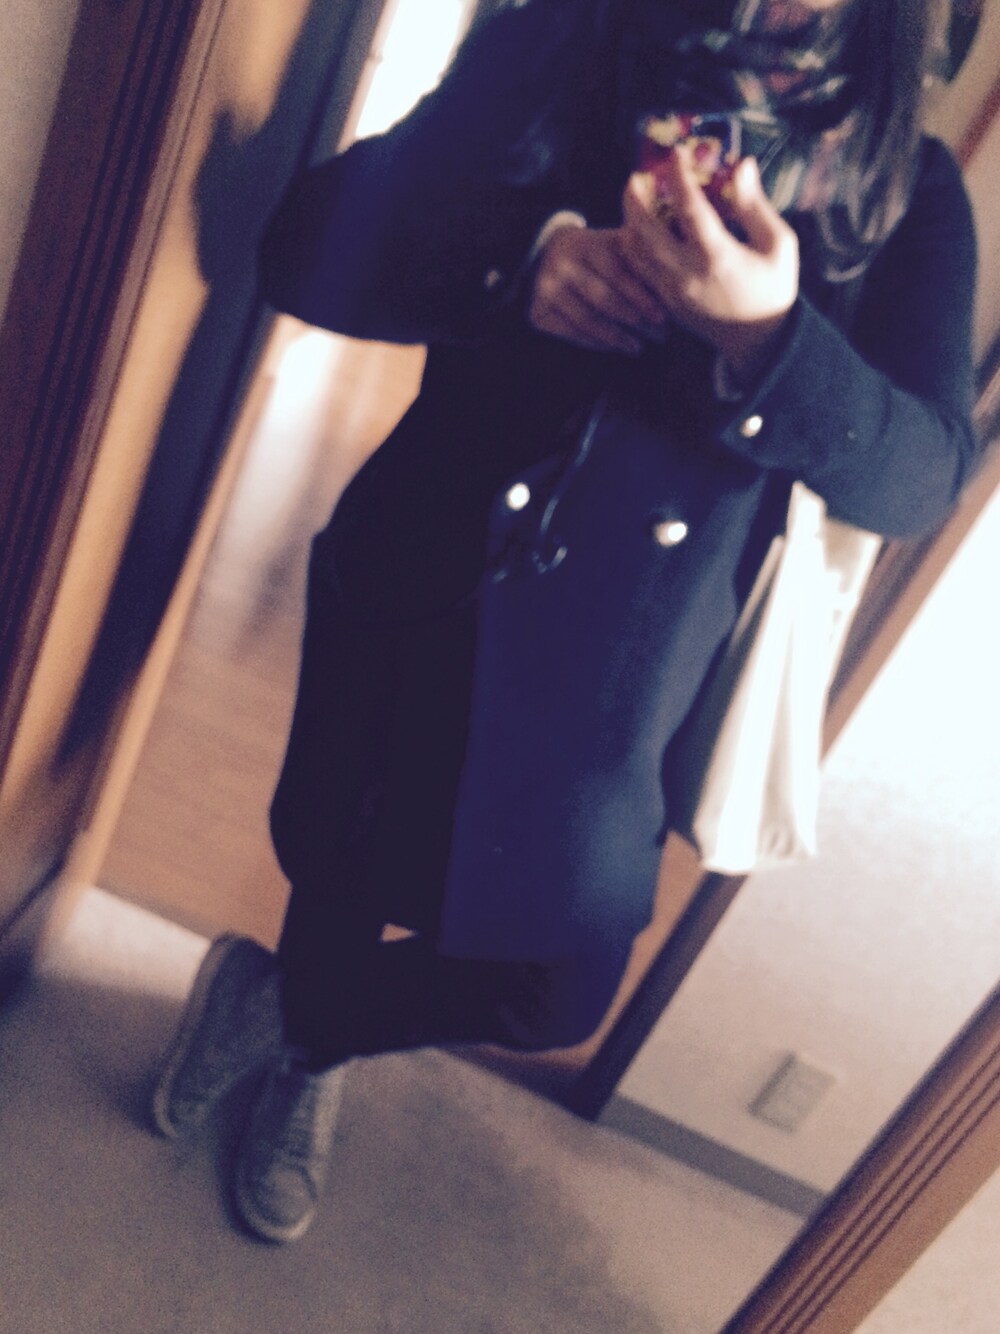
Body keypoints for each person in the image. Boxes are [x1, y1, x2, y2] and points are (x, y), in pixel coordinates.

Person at [151, 0, 979, 1244]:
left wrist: (768, 339)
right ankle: (311, 1052)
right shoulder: (563, 40)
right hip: (423, 577)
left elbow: (920, 481)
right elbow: (305, 246)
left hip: (624, 671)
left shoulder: (900, 181)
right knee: (337, 865)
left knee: (552, 988)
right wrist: (518, 267)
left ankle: (286, 1017)